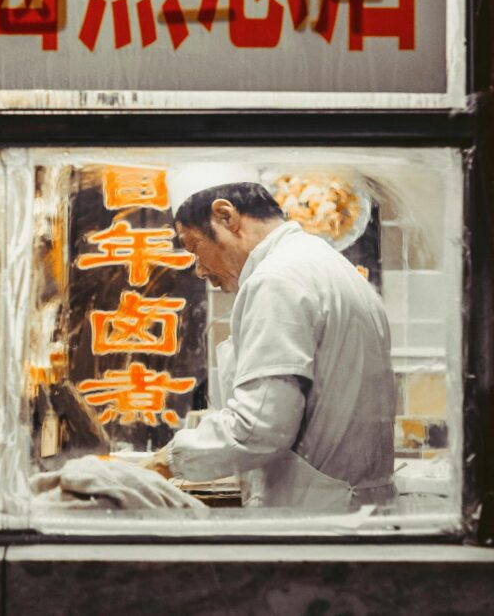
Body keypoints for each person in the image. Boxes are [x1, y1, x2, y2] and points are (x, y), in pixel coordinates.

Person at [146, 168, 396, 511]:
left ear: (226, 216)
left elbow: (259, 428)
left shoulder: (277, 279)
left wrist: (164, 461)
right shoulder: (322, 264)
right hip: (351, 509)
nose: (199, 270)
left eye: (194, 248)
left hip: (317, 520)